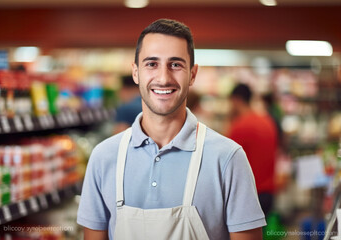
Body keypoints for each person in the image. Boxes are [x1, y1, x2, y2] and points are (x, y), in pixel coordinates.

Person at [77, 19, 266, 240]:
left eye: (175, 64)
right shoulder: (104, 156)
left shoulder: (227, 158)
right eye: (151, 64)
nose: (164, 78)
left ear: (193, 74)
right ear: (135, 72)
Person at [228, 83, 278, 217]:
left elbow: (229, 163)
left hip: (248, 194)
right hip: (269, 191)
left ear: (236, 100)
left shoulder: (239, 126)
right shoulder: (267, 121)